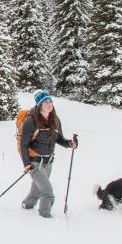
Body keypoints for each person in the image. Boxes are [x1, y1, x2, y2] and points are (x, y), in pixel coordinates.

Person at [20, 90, 78, 218]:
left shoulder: (55, 119)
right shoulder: (31, 121)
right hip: (35, 162)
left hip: (49, 162)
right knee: (47, 192)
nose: (49, 103)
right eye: (45, 101)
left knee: (37, 188)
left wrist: (70, 144)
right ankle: (45, 217)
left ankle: (27, 204)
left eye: (50, 100)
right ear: (39, 105)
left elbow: (59, 139)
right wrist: (26, 164)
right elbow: (23, 145)